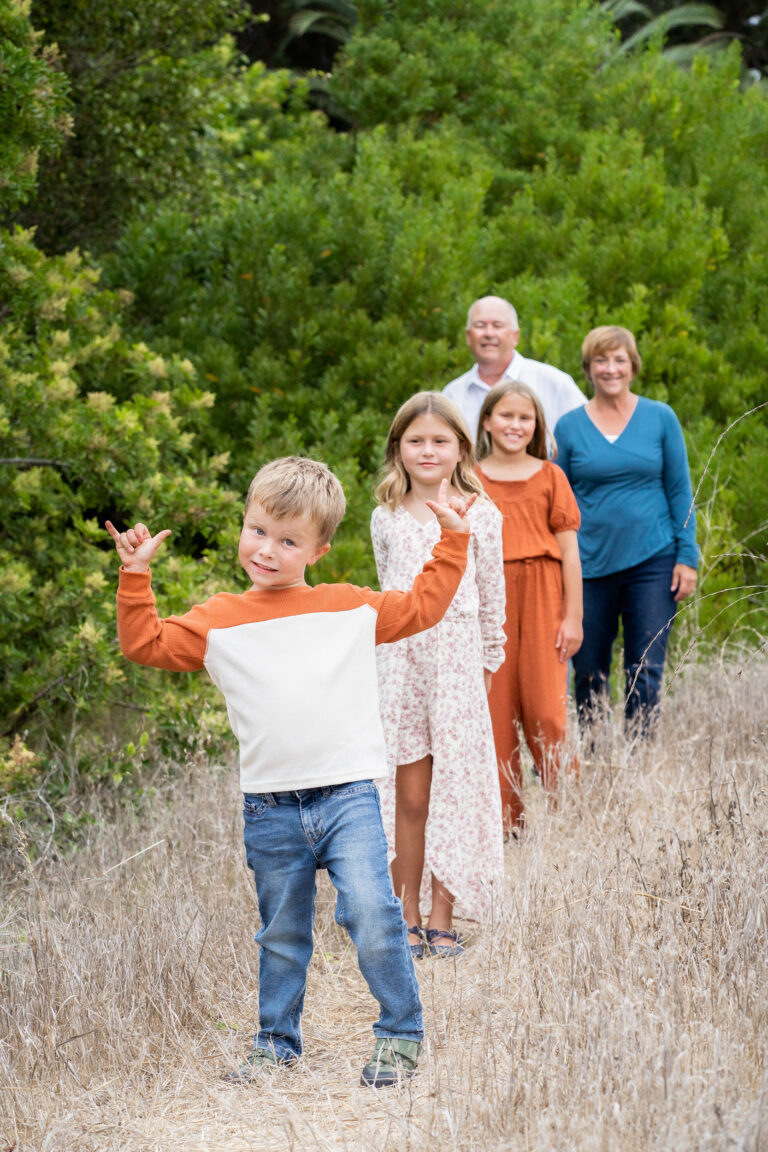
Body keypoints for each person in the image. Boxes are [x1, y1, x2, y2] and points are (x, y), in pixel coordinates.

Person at [106, 456, 475, 1090]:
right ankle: (276, 1043)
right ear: (242, 527)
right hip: (268, 807)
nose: (267, 550)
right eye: (256, 531)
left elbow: (421, 607)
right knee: (281, 932)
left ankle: (401, 1033)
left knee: (372, 911)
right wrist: (134, 577)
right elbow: (147, 644)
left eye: (288, 541)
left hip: (348, 796)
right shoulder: (217, 619)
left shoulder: (348, 608)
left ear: (320, 549)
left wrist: (454, 541)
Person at [371, 393, 505, 960]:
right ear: (398, 449)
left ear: (461, 450)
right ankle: (404, 913)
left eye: (440, 441)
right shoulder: (386, 515)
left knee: (454, 791)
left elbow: (492, 596)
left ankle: (443, 914)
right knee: (410, 795)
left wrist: (488, 661)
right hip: (401, 666)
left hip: (456, 663)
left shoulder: (483, 513)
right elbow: (387, 593)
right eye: (416, 440)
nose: (428, 451)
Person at [554, 326, 699, 731]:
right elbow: (556, 501)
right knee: (589, 669)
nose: (611, 368)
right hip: (589, 566)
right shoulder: (568, 427)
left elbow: (679, 490)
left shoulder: (660, 417)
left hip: (654, 559)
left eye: (619, 359)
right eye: (601, 360)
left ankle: (638, 759)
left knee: (646, 666)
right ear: (588, 368)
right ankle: (597, 760)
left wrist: (687, 557)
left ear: (633, 365)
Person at [475, 381, 583, 834]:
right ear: (486, 421)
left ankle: (566, 818)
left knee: (546, 711)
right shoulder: (470, 477)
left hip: (543, 594)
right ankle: (506, 827)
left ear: (537, 424)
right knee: (495, 714)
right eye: (506, 415)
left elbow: (571, 552)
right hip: (488, 596)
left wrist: (573, 616)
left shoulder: (550, 475)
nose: (515, 425)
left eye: (525, 417)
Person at [443, 295, 586, 444]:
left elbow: (587, 435)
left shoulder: (554, 383)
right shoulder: (452, 394)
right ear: (468, 336)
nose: (488, 333)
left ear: (515, 336)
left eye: (497, 325)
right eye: (480, 325)